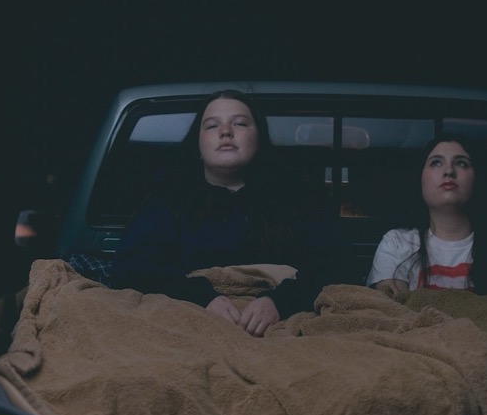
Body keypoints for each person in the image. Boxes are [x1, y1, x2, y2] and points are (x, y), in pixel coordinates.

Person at [107, 90, 342, 336]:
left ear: (259, 138)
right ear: (198, 145)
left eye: (240, 123)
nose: (226, 131)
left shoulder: (298, 197)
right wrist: (201, 299)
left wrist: (280, 302)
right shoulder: (170, 199)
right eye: (211, 126)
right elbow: (132, 267)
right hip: (190, 321)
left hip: (281, 324)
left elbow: (332, 264)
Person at [366, 136, 487, 296]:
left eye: (461, 163)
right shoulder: (397, 243)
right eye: (436, 163)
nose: (449, 171)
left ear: (476, 178)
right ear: (421, 179)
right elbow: (392, 315)